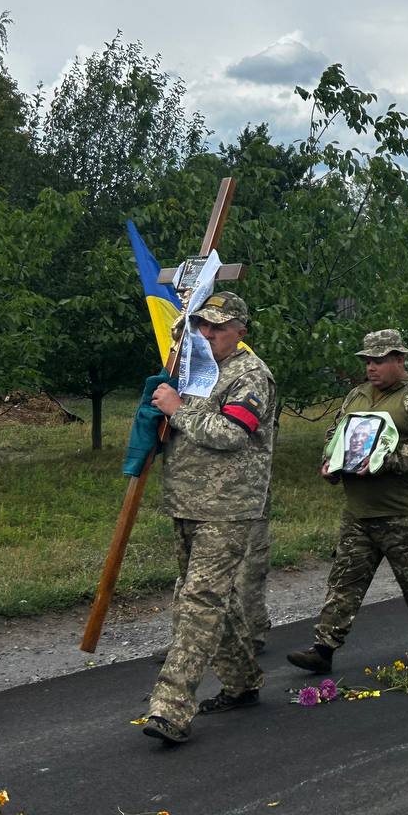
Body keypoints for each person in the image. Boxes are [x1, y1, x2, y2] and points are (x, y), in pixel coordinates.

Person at [142, 292, 276, 745]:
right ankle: (242, 682)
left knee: (197, 601)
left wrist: (178, 409)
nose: (208, 334)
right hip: (185, 501)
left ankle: (170, 707)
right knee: (213, 599)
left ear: (240, 330)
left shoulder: (250, 375)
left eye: (217, 327)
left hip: (228, 505)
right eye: (202, 325)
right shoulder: (195, 370)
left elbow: (231, 433)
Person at [287, 330, 408, 675]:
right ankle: (324, 647)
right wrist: (332, 463)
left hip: (402, 511)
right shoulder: (357, 395)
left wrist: (383, 461)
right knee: (344, 580)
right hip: (360, 511)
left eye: (379, 361)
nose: (371, 368)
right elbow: (336, 434)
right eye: (368, 361)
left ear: (399, 360)